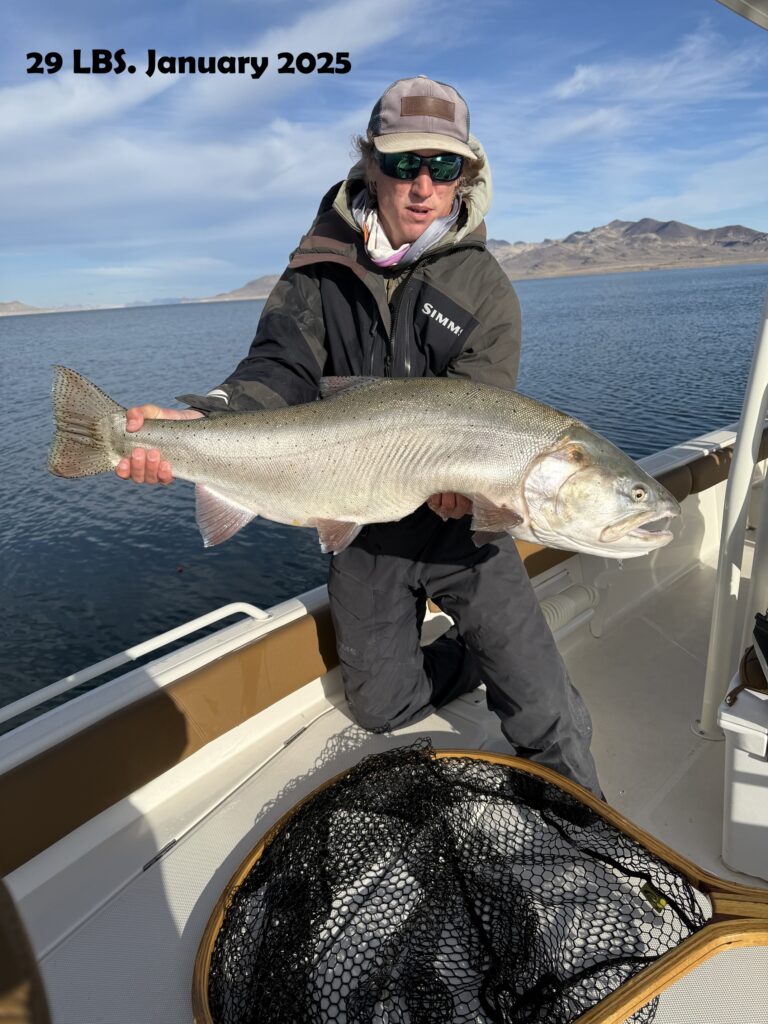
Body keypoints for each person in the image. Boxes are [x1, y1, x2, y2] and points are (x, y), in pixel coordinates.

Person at [117, 76, 602, 796]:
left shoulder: (485, 288)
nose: (424, 186)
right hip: (361, 521)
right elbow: (277, 367)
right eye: (405, 164)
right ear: (370, 163)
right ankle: (467, 660)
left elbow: (483, 414)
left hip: (458, 528)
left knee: (545, 711)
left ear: (468, 173)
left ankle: (585, 824)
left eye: (446, 166)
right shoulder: (317, 267)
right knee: (380, 708)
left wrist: (468, 494)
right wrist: (206, 422)